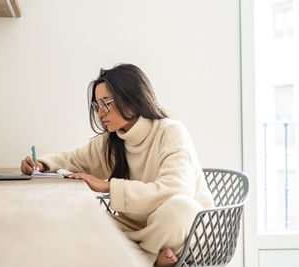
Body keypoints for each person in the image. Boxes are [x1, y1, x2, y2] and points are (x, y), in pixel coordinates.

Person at [20, 64, 214, 267]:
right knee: (81, 219)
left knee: (180, 208)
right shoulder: (113, 139)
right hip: (140, 230)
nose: (100, 113)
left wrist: (107, 186)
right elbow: (75, 159)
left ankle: (140, 256)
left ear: (131, 99)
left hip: (189, 232)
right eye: (97, 105)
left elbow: (176, 190)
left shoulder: (171, 131)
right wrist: (41, 163)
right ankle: (150, 258)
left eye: (106, 103)